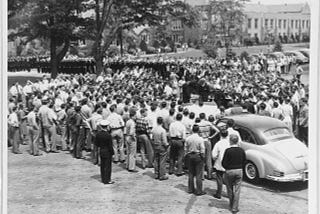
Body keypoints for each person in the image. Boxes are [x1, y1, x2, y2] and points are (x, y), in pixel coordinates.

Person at [222, 134, 246, 214]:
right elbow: (244, 161)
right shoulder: (241, 150)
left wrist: (227, 168)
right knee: (237, 190)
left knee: (229, 188)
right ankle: (235, 208)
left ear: (231, 141)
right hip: (239, 170)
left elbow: (223, 163)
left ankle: (231, 204)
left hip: (229, 171)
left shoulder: (228, 150)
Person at [184, 124, 205, 196]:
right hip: (198, 155)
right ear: (198, 130)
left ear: (192, 130)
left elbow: (185, 149)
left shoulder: (188, 138)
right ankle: (199, 190)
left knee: (191, 173)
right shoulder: (200, 139)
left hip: (190, 155)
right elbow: (202, 150)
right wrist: (203, 157)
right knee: (198, 174)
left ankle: (190, 189)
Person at [95, 120, 115, 184]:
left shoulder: (98, 134)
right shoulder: (108, 135)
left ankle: (103, 179)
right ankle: (107, 179)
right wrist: (112, 153)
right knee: (108, 166)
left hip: (101, 150)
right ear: (107, 126)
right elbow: (110, 145)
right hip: (108, 152)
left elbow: (96, 143)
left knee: (102, 166)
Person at [211, 129, 229, 199]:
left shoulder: (218, 143)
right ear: (227, 135)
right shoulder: (229, 143)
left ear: (221, 135)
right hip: (228, 164)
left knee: (219, 178)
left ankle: (219, 193)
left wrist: (215, 159)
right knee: (228, 180)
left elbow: (214, 155)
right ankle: (229, 193)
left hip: (219, 163)